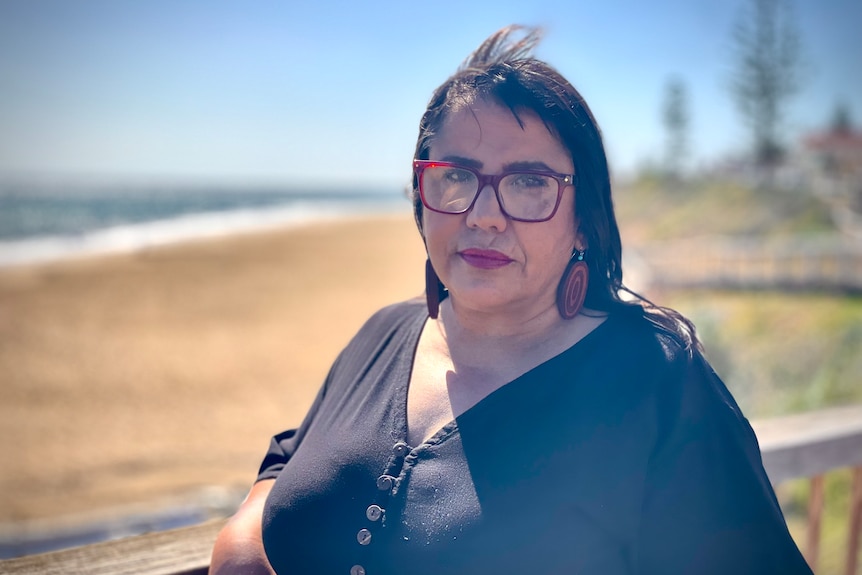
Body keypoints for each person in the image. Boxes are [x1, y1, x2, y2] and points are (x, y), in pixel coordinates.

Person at [210, 25, 812, 575]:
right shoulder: (383, 334)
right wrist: (242, 537)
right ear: (422, 196)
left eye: (529, 182)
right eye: (456, 175)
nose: (485, 216)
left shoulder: (658, 381)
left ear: (583, 219)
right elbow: (290, 455)